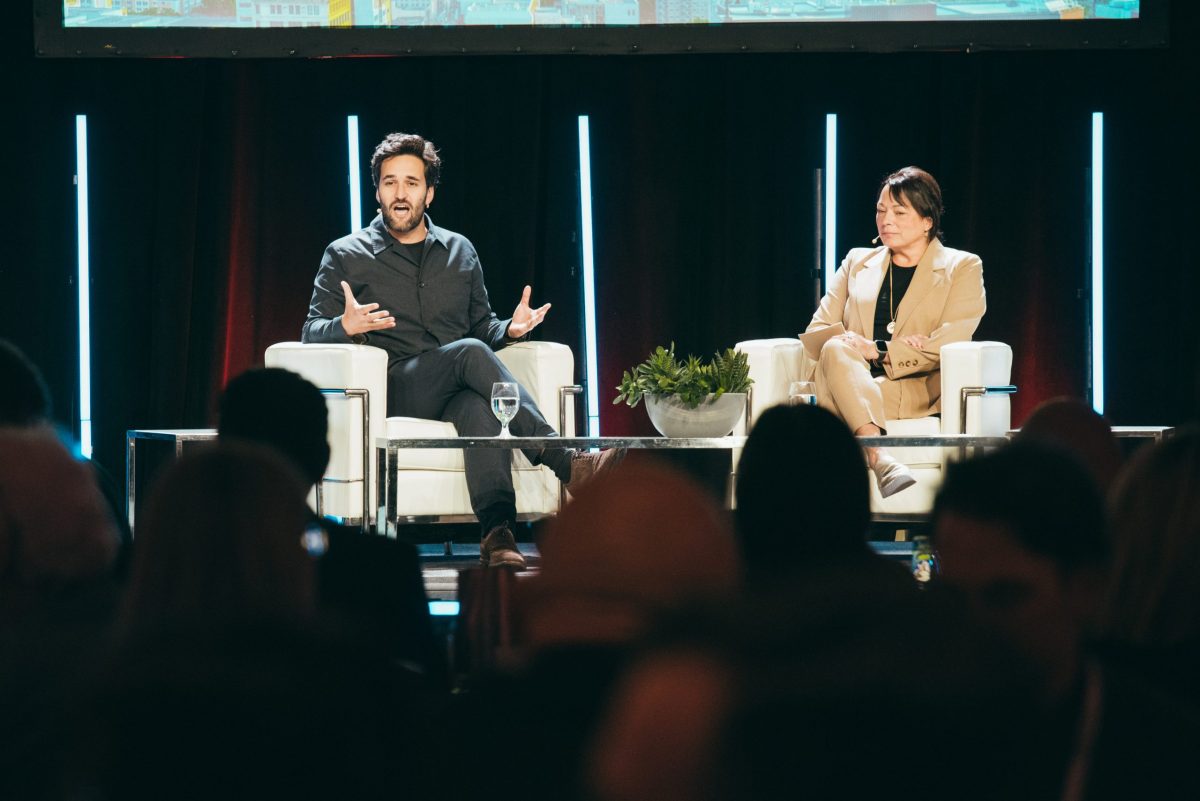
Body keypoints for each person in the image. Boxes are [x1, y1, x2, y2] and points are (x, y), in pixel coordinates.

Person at [302, 132, 621, 568]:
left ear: (429, 193)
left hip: (454, 386)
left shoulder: (460, 251)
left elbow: (481, 329)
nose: (400, 193)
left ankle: (498, 534)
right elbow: (310, 332)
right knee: (468, 354)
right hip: (394, 387)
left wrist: (511, 330)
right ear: (377, 191)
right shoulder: (346, 254)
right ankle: (565, 461)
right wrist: (345, 325)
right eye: (390, 182)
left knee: (478, 408)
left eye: (411, 183)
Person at [803, 167, 985, 497]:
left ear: (927, 220)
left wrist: (879, 349)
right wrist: (854, 345)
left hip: (909, 389)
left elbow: (950, 343)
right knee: (835, 348)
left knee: (835, 363)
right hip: (849, 379)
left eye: (899, 212)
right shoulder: (856, 262)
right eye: (881, 210)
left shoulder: (962, 267)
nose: (886, 220)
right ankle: (880, 457)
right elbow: (817, 332)